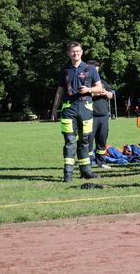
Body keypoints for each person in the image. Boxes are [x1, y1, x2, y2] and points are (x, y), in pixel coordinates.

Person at [50, 41, 102, 182]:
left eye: (78, 51)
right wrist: (54, 110)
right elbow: (60, 90)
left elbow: (100, 88)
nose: (75, 53)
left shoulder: (90, 69)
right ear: (68, 54)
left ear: (82, 52)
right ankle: (68, 174)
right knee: (70, 141)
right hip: (68, 109)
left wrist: (88, 90)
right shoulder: (64, 70)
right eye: (73, 51)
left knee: (85, 140)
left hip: (85, 108)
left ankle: (86, 171)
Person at [88, 60, 114, 170]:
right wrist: (96, 92)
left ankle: (101, 162)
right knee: (88, 140)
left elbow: (111, 95)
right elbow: (85, 94)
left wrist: (106, 93)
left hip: (103, 115)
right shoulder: (86, 83)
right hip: (90, 115)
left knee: (102, 140)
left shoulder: (103, 82)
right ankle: (87, 163)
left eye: (97, 71)